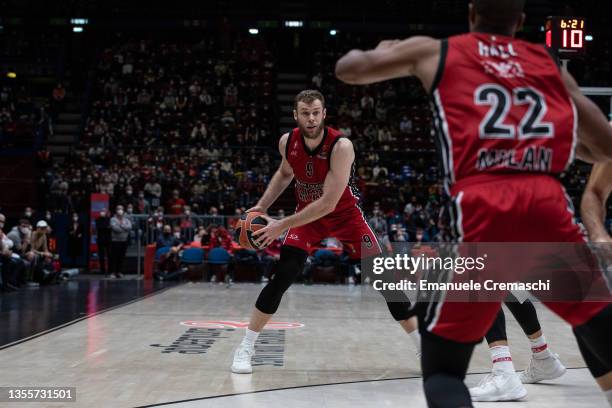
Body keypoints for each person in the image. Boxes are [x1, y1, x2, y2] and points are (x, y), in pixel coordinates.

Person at [335, 1, 612, 407]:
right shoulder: (549, 64)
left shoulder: (436, 50)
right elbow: (604, 147)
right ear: (520, 22)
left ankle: (507, 370)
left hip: (484, 209)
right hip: (546, 204)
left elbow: (348, 68)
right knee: (595, 324)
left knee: (444, 370)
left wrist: (385, 47)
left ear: (470, 15)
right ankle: (534, 359)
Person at [231, 90, 420, 374]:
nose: (310, 118)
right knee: (283, 275)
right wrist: (259, 207)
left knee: (387, 283)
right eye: (305, 113)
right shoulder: (288, 142)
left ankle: (423, 348)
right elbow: (284, 174)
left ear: (324, 113)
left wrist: (281, 224)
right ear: (296, 115)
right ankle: (245, 347)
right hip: (308, 218)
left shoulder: (341, 146)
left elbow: (329, 202)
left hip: (345, 216)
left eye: (315, 112)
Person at [109, 205, 132, 278]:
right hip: (115, 241)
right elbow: (116, 229)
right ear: (116, 210)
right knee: (114, 257)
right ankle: (113, 272)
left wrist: (121, 225)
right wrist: (124, 228)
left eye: (121, 209)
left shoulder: (126, 220)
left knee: (121, 257)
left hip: (124, 241)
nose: (120, 210)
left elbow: (129, 227)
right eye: (118, 209)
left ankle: (119, 272)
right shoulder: (113, 219)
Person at [95, 209, 112, 276]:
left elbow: (110, 228)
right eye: (101, 211)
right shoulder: (97, 220)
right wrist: (107, 227)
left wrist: (107, 228)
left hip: (108, 240)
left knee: (109, 255)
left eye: (104, 211)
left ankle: (110, 269)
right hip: (100, 240)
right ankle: (102, 270)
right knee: (101, 255)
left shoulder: (109, 219)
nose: (102, 212)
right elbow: (99, 227)